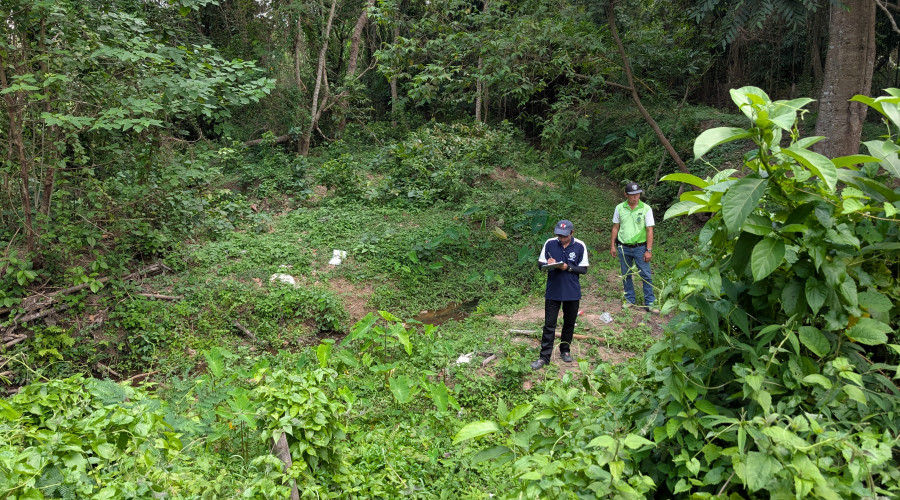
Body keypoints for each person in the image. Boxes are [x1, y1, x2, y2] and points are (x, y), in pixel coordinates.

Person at [531, 219, 589, 370]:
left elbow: (583, 269)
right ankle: (544, 357)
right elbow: (540, 265)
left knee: (569, 323)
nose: (561, 238)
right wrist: (549, 263)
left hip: (572, 291)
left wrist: (568, 267)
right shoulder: (550, 243)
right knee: (549, 324)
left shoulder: (580, 245)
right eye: (559, 235)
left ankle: (565, 350)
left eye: (564, 236)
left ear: (572, 232)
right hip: (553, 291)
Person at [610, 182, 657, 312]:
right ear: (626, 194)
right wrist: (612, 245)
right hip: (623, 247)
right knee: (626, 274)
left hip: (640, 247)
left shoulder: (646, 208)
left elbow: (649, 230)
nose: (635, 197)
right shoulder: (619, 208)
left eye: (637, 194)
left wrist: (648, 250)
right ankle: (630, 299)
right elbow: (615, 227)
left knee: (646, 274)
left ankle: (650, 302)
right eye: (632, 195)